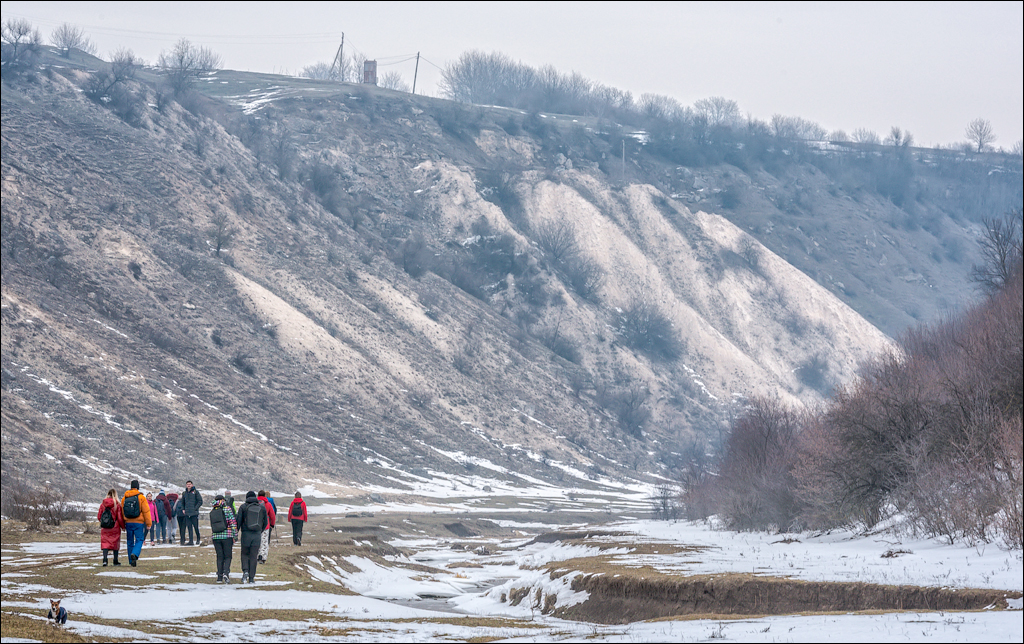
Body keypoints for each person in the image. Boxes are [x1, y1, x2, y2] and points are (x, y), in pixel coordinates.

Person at [237, 491, 268, 584]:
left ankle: (245, 571)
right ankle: (251, 578)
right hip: (257, 535)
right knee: (253, 556)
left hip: (246, 534)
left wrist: (236, 533)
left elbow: (238, 521)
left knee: (245, 554)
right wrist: (259, 531)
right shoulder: (262, 507)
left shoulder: (243, 507)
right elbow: (265, 522)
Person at [121, 480, 151, 567]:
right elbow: (146, 511)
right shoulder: (141, 497)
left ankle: (131, 561)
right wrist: (148, 523)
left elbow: (122, 512)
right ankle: (135, 554)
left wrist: (123, 524)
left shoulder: (124, 498)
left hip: (128, 522)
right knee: (139, 539)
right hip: (138, 523)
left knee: (130, 541)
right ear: (138, 487)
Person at [209, 494, 238, 583]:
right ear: (223, 500)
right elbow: (232, 523)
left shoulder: (213, 510)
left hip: (216, 536)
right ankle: (226, 572)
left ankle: (219, 576)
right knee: (228, 556)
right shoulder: (227, 509)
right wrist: (235, 536)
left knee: (219, 556)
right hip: (227, 536)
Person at [97, 489, 125, 566]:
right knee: (115, 543)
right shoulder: (117, 504)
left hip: (105, 528)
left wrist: (104, 522)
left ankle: (105, 560)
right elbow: (119, 517)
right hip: (115, 527)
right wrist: (123, 526)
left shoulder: (103, 504)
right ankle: (115, 561)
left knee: (105, 543)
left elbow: (99, 516)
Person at [256, 490, 276, 563]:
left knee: (257, 541)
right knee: (264, 542)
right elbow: (272, 515)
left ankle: (256, 556)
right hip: (266, 525)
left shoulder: (255, 503)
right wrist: (272, 524)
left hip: (256, 525)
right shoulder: (268, 504)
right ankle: (262, 557)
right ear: (264, 496)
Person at [181, 480, 203, 545]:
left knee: (196, 527)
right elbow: (182, 502)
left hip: (194, 513)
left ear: (192, 485)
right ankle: (191, 541)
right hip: (187, 513)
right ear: (186, 485)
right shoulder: (184, 493)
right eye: (187, 484)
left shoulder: (196, 492)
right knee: (189, 527)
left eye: (189, 484)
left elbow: (200, 501)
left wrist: (195, 508)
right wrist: (183, 509)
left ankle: (198, 539)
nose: (188, 485)